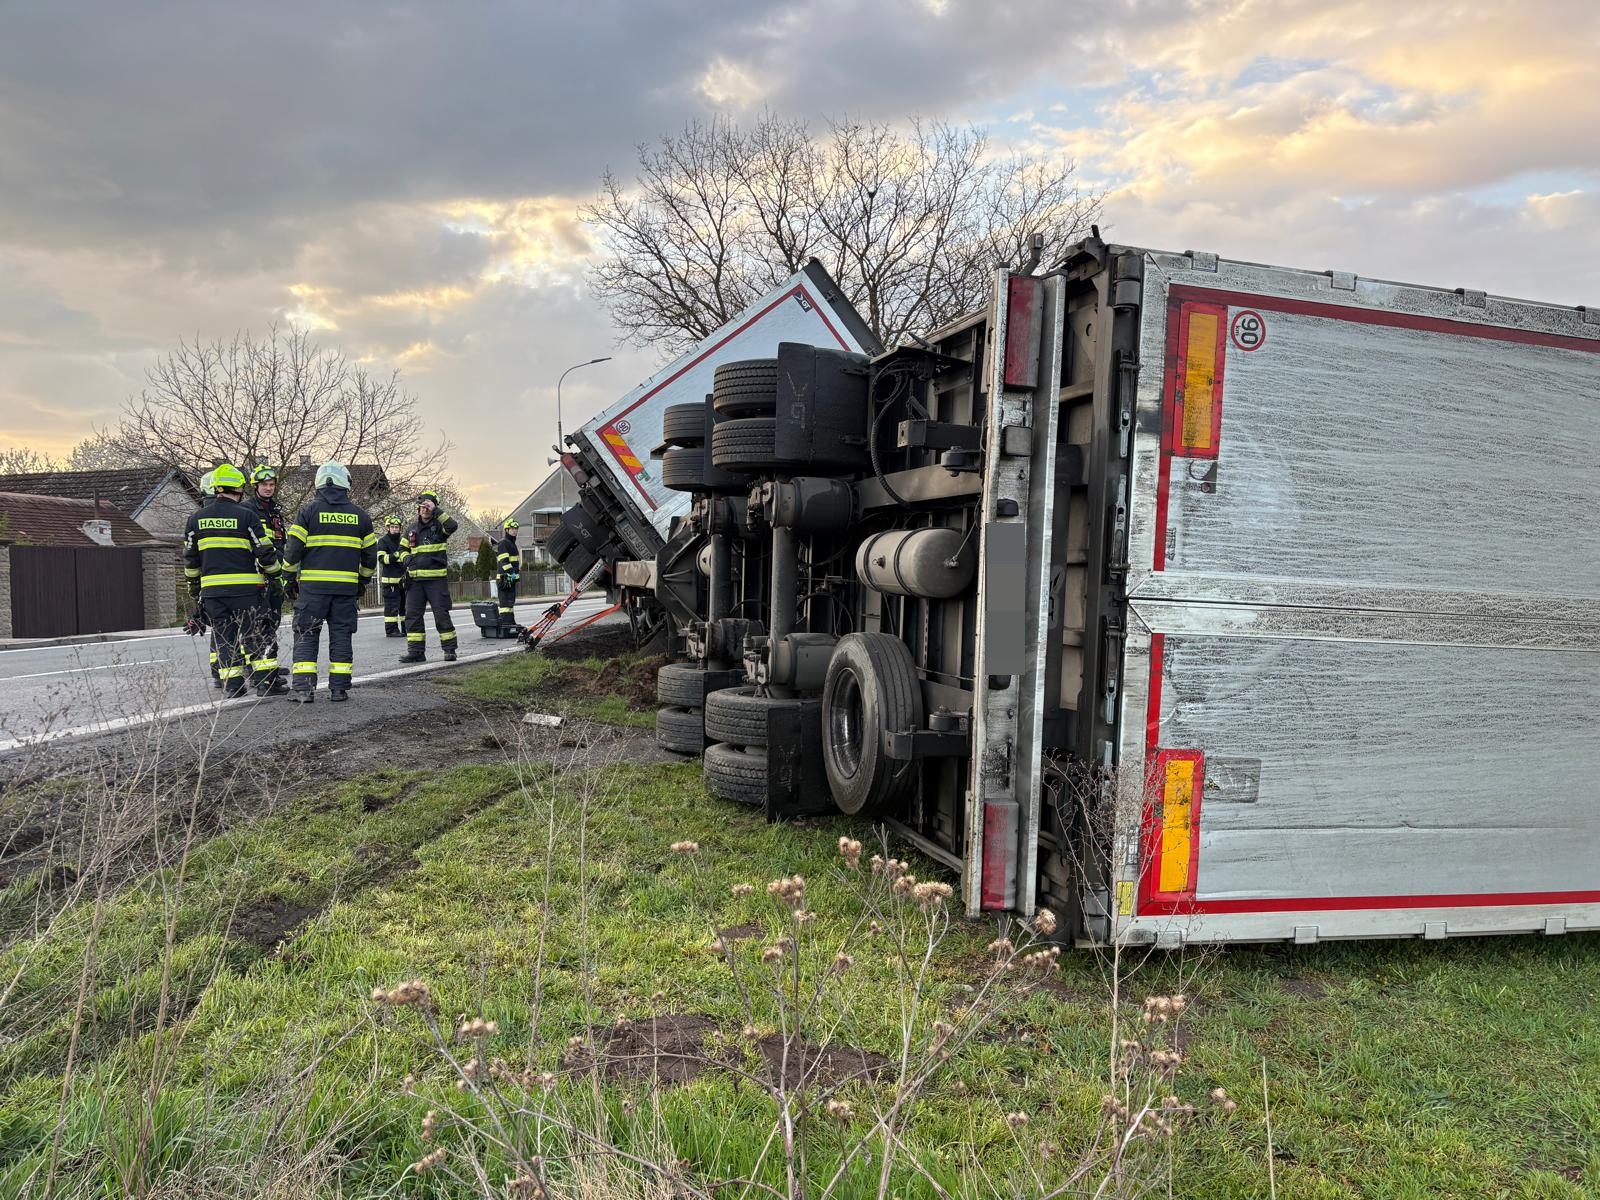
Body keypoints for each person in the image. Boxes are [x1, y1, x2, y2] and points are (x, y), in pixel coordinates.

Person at [182, 463, 281, 700]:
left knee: (225, 638)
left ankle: (233, 686)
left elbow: (191, 561)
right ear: (239, 488)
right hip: (246, 591)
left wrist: (195, 589)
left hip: (213, 593)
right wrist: (277, 576)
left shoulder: (195, 519)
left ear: (216, 487)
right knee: (255, 634)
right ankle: (265, 683)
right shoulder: (247, 516)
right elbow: (265, 552)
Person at [280, 461, 376, 702]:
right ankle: (339, 690)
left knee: (306, 634)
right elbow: (370, 558)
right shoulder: (361, 517)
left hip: (312, 590)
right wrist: (362, 582)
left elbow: (292, 551)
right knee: (341, 635)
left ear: (319, 484)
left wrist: (288, 579)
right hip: (345, 591)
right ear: (346, 484)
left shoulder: (307, 512)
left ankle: (303, 690)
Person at [397, 489, 458, 663]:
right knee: (412, 617)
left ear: (433, 508)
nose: (425, 509)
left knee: (441, 615)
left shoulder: (440, 527)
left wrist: (436, 510)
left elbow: (453, 526)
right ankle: (416, 652)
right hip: (415, 582)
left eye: (428, 506)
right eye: (422, 506)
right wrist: (406, 558)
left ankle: (449, 650)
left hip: (436, 581)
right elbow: (402, 549)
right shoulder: (411, 529)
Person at [245, 464, 290, 694]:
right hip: (258, 575)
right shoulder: (248, 509)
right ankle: (258, 672)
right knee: (259, 624)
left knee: (272, 622)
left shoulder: (274, 510)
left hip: (275, 573)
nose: (269, 488)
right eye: (264, 485)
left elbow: (280, 542)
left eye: (271, 484)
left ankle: (267, 668)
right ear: (256, 486)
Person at [375, 513, 408, 637]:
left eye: (397, 527)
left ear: (400, 528)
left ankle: (406, 628)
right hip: (390, 582)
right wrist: (397, 555)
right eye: (392, 527)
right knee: (391, 608)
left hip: (403, 581)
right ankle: (391, 630)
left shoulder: (402, 541)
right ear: (388, 528)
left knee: (405, 607)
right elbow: (382, 559)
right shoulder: (383, 541)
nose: (395, 529)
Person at [493, 517, 522, 629]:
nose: (515, 531)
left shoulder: (511, 543)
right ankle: (506, 624)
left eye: (516, 529)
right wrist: (512, 573)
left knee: (510, 602)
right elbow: (504, 562)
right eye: (512, 529)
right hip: (505, 578)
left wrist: (514, 576)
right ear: (507, 530)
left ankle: (510, 622)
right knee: (505, 603)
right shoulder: (504, 543)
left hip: (510, 578)